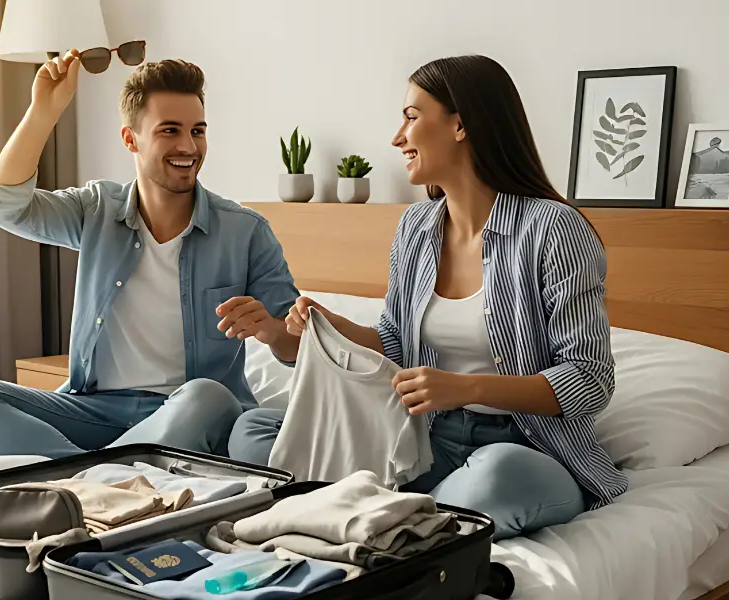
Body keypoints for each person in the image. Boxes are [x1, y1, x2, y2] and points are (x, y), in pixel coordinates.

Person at [229, 55, 628, 540]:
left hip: (527, 447)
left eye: (412, 117)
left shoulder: (552, 229)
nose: (398, 137)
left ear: (460, 124)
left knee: (496, 476)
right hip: (426, 438)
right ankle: (394, 518)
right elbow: (397, 344)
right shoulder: (417, 228)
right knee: (255, 431)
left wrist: (468, 387)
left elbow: (589, 380)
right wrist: (329, 325)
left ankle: (372, 516)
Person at [0, 52, 300, 459]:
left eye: (197, 131)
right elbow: (2, 205)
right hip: (95, 409)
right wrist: (43, 112)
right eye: (170, 131)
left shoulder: (245, 231)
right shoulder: (96, 210)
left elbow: (299, 348)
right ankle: (98, 473)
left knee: (208, 395)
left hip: (192, 412)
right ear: (130, 139)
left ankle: (86, 474)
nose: (188, 146)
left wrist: (269, 329)